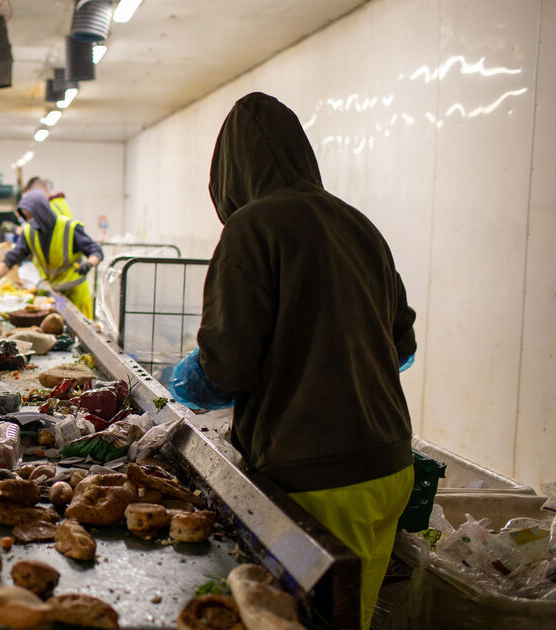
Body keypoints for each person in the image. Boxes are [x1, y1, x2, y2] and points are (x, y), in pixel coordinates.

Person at [168, 92, 417, 630]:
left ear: (227, 174)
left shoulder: (251, 227)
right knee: (351, 619)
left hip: (316, 478)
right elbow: (403, 349)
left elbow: (227, 370)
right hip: (392, 466)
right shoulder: (358, 224)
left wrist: (184, 379)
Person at [0, 189, 102, 318]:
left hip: (76, 294)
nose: (30, 220)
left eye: (31, 215)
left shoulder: (69, 227)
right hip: (56, 293)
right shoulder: (30, 232)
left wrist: (89, 263)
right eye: (26, 217)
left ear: (42, 211)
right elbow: (12, 258)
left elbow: (95, 250)